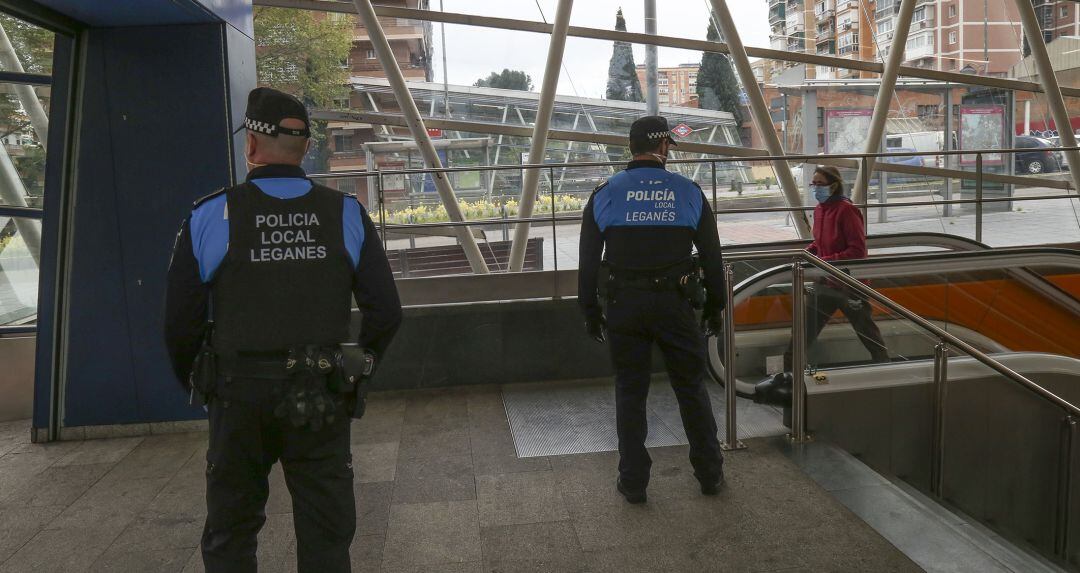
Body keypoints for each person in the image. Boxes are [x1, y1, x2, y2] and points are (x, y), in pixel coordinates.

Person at [163, 87, 402, 573]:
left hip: (237, 396)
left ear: (251, 144)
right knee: (326, 530)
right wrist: (357, 371)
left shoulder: (212, 214)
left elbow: (179, 321)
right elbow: (387, 312)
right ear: (304, 148)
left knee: (231, 529)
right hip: (320, 392)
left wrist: (202, 380)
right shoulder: (346, 213)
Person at [579, 115, 726, 504]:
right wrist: (716, 306)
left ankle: (633, 483)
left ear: (632, 147)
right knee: (691, 388)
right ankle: (710, 474)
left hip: (624, 306)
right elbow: (713, 258)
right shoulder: (688, 191)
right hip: (675, 306)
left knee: (630, 391)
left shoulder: (605, 192)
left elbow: (588, 262)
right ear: (662, 147)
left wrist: (590, 311)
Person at [755, 165, 888, 404]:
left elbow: (857, 250)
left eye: (819, 183)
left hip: (850, 284)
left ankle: (886, 372)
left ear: (833, 185)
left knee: (867, 333)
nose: (815, 188)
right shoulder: (819, 211)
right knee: (803, 332)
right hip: (826, 284)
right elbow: (819, 244)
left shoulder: (847, 211)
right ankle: (790, 379)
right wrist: (808, 254)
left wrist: (825, 262)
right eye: (813, 184)